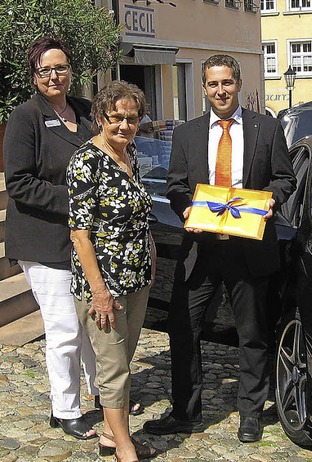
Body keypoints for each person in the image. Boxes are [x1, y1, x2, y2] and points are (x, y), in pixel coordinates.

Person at [143, 54, 296, 443]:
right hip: (201, 248)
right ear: (204, 88)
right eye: (212, 84)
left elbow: (285, 179)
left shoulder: (267, 128)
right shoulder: (187, 134)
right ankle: (184, 411)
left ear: (238, 83)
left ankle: (250, 413)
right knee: (184, 330)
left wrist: (267, 201)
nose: (220, 91)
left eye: (226, 83)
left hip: (249, 247)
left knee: (252, 333)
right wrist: (186, 206)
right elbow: (175, 185)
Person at [3, 37, 99, 440]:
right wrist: (77, 199)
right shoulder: (25, 118)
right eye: (45, 70)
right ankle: (65, 408)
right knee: (64, 328)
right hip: (44, 240)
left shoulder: (86, 111)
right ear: (34, 75)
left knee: (95, 322)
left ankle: (104, 394)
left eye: (60, 68)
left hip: (88, 240)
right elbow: (20, 183)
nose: (54, 76)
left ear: (71, 70)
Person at [67, 80, 157, 462]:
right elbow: (79, 235)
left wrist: (149, 252)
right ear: (100, 118)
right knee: (113, 368)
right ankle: (124, 447)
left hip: (136, 278)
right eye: (116, 117)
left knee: (124, 360)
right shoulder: (86, 162)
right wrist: (99, 292)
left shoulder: (129, 153)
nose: (124, 125)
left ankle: (109, 433)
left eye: (131, 118)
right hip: (103, 285)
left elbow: (138, 214)